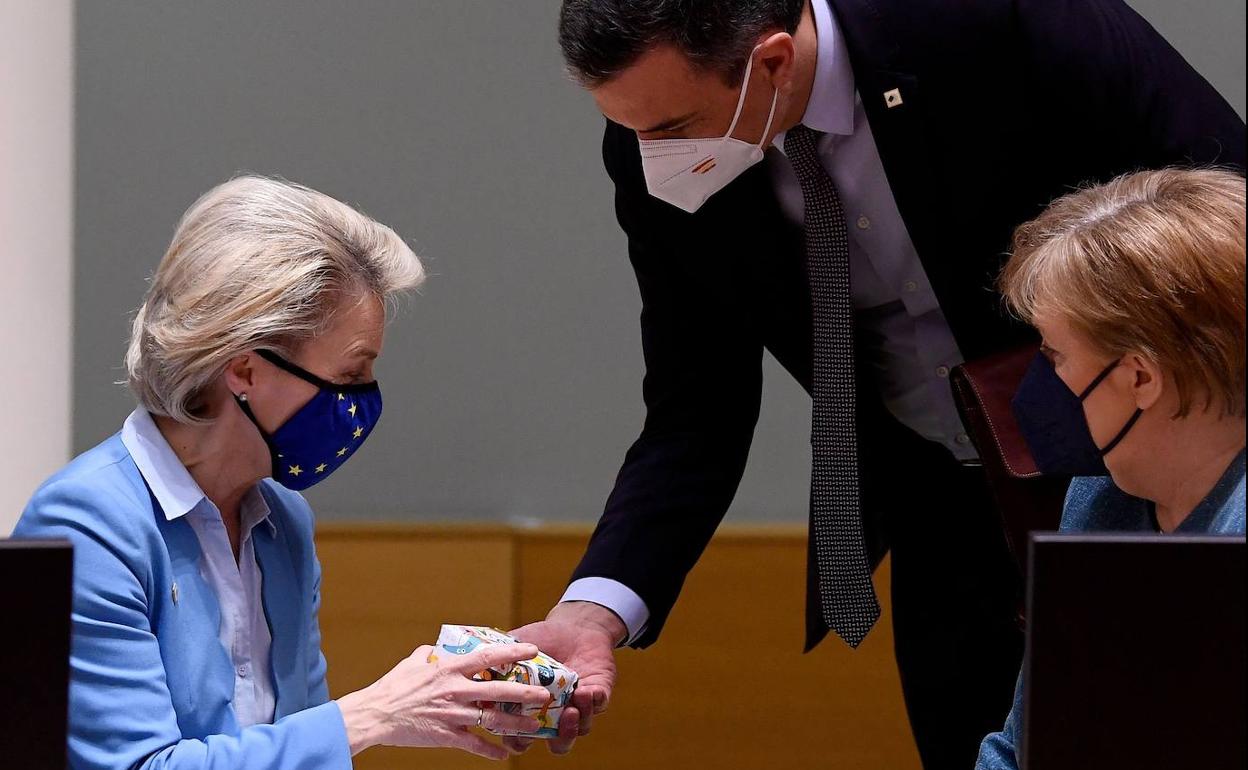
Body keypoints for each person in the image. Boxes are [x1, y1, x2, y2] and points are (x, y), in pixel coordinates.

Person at [508, 1, 1247, 766]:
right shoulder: (655, 134)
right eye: (630, 129)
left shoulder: (993, 21)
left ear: (771, 63)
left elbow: (1225, 211)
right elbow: (697, 406)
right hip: (939, 508)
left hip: (1130, 479)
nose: (650, 153)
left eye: (668, 130)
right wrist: (592, 612)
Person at [13, 176, 553, 769]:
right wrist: (373, 715)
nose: (361, 401)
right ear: (244, 369)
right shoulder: (89, 524)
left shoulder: (281, 520)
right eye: (351, 375)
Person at [976, 167, 1247, 769]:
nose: (1040, 384)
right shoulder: (1101, 498)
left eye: (1054, 355)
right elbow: (1021, 748)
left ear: (1140, 377)